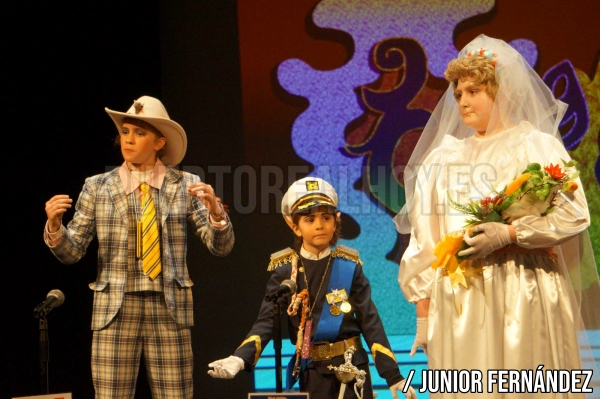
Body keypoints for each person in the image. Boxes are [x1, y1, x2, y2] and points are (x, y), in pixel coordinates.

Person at [395, 34, 600, 397]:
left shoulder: (535, 146)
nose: (463, 102)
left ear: (503, 91)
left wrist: (511, 234)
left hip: (525, 288)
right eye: (458, 94)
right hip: (463, 297)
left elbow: (574, 214)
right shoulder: (442, 160)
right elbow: (425, 242)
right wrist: (424, 319)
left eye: (474, 91)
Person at [43, 95, 235, 399]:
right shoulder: (98, 187)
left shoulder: (184, 184)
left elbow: (219, 247)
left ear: (160, 142)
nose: (128, 140)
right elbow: (73, 250)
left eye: (139, 133)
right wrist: (55, 226)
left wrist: (216, 213)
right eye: (125, 132)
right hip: (115, 310)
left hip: (169, 309)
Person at [208, 177, 416, 399]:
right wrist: (240, 358)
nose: (320, 225)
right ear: (295, 227)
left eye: (326, 217)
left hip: (353, 367)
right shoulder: (285, 271)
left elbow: (370, 321)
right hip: (313, 372)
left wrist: (393, 375)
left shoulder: (349, 267)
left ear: (335, 221)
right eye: (309, 219)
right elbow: (267, 322)